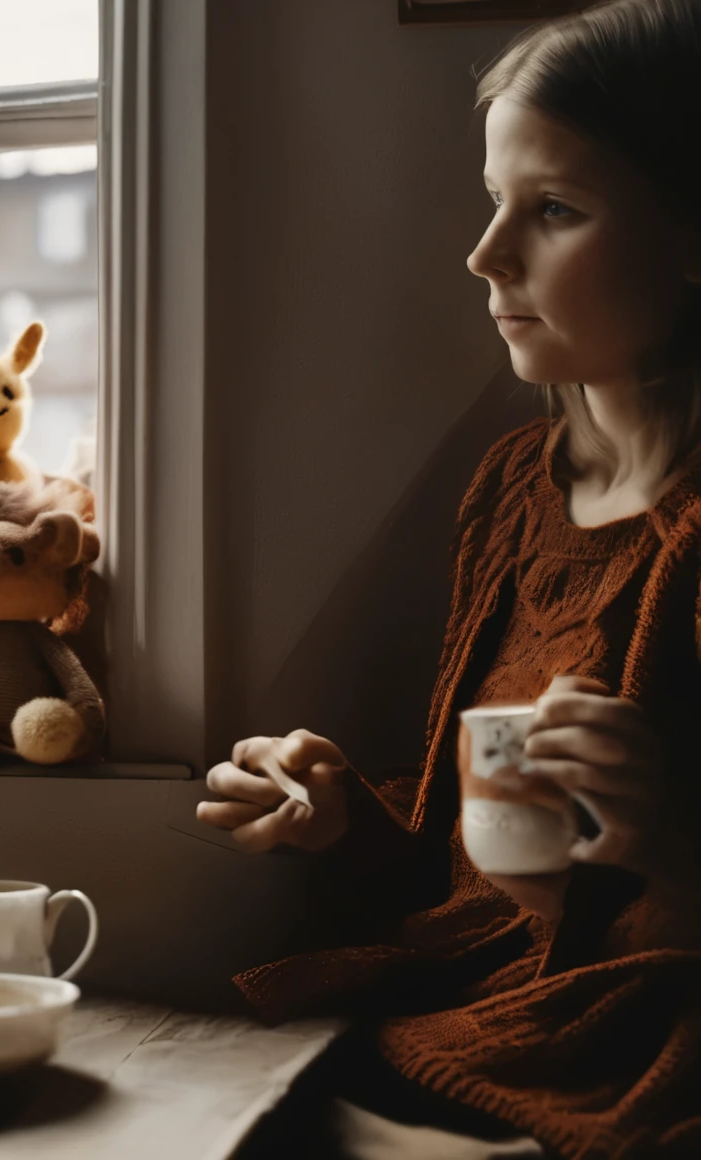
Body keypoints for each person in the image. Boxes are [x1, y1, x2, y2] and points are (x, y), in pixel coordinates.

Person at [203, 2, 701, 1155]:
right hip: (467, 995)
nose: (486, 255)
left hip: (631, 1027)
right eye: (494, 202)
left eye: (556, 210)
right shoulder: (514, 489)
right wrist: (340, 814)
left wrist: (663, 838)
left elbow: (629, 913)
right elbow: (459, 854)